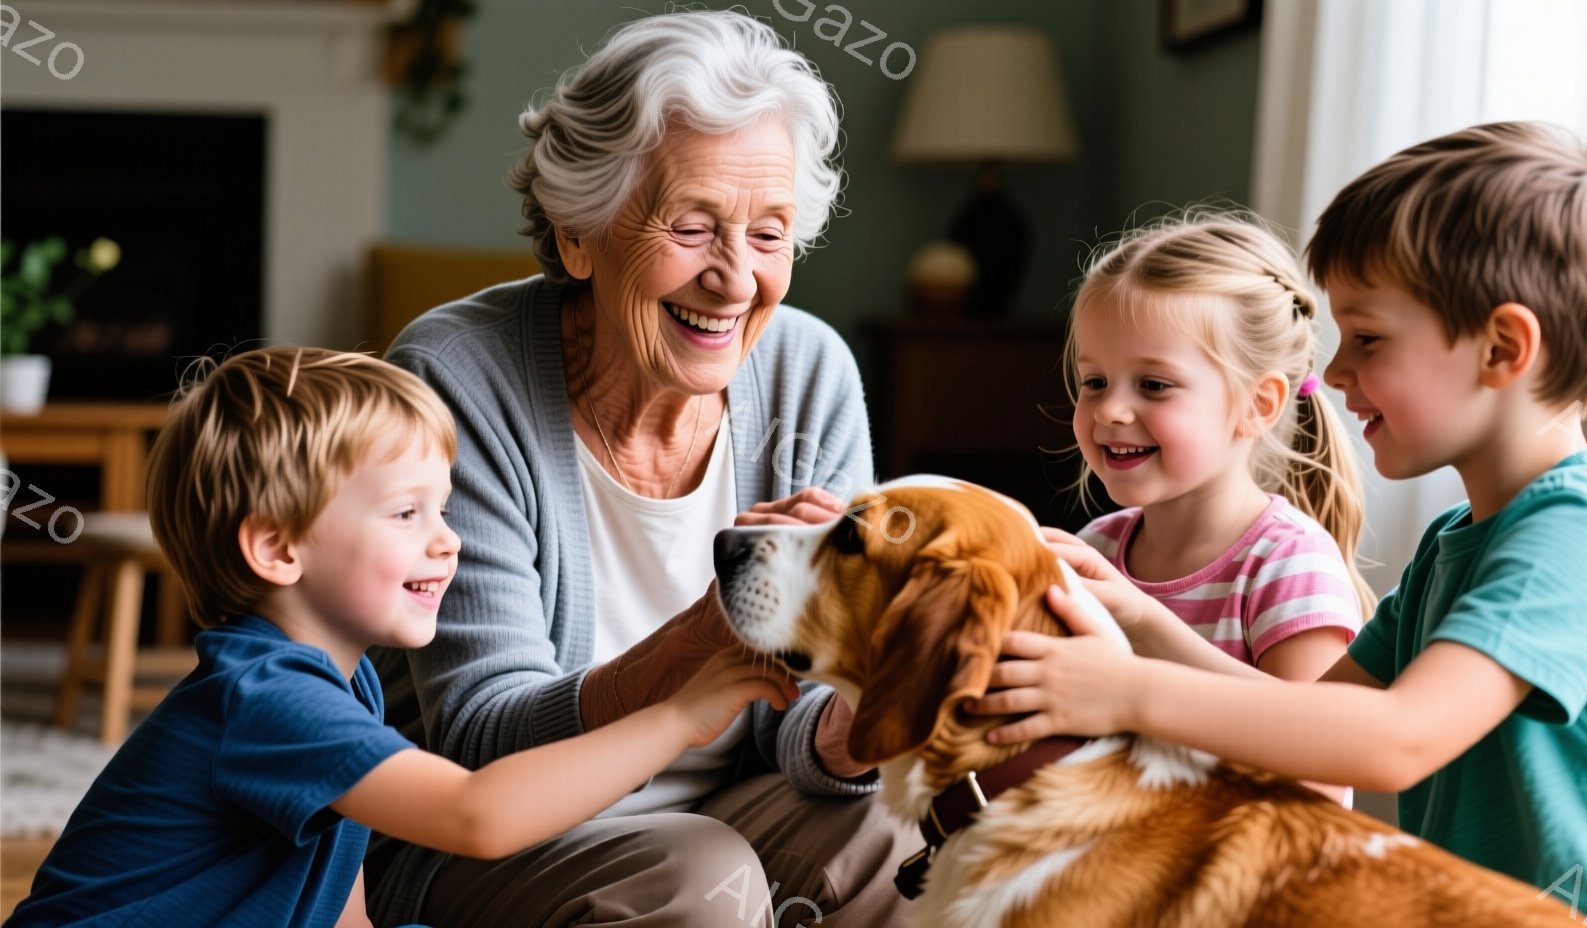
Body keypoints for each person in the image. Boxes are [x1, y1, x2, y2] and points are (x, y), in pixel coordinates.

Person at [970, 122, 1587, 924]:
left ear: (1503, 348)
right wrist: (1139, 619)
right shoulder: (1457, 540)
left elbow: (1391, 742)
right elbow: (1304, 716)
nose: (1332, 375)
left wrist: (1125, 691)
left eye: (1367, 338)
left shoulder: (1579, 533)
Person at [363, 10, 913, 927]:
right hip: (487, 840)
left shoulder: (809, 373)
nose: (736, 279)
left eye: (770, 234)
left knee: (897, 836)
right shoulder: (459, 378)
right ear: (579, 232)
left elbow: (800, 728)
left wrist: (860, 723)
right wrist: (704, 636)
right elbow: (478, 737)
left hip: (730, 815)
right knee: (700, 876)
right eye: (694, 227)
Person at [6, 347, 795, 928]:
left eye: (443, 510)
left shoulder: (346, 685)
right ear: (278, 548)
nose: (447, 540)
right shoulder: (263, 696)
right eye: (407, 513)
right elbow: (478, 815)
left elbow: (339, 907)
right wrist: (678, 718)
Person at [1046, 213, 1373, 694]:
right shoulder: (1096, 550)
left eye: (1153, 385)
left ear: (1258, 405)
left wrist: (1143, 623)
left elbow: (1318, 760)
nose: (1110, 410)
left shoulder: (1288, 563)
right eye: (1094, 381)